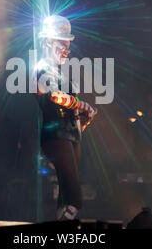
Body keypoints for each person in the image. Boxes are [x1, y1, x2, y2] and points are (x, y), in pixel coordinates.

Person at [35, 15, 97, 221]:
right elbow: (54, 96)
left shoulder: (61, 74)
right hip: (55, 134)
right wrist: (80, 104)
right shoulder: (42, 68)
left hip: (70, 135)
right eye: (62, 44)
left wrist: (83, 119)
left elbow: (69, 110)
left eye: (68, 45)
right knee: (74, 198)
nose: (66, 50)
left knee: (66, 198)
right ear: (48, 42)